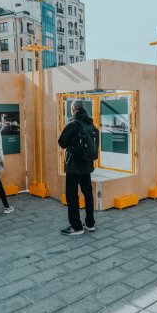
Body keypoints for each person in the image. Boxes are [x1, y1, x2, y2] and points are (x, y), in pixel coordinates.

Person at [58, 100, 99, 236]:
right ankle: (90, 223)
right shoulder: (90, 123)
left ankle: (76, 226)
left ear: (73, 109)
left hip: (74, 165)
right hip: (87, 164)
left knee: (72, 195)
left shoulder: (73, 123)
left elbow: (62, 143)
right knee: (88, 193)